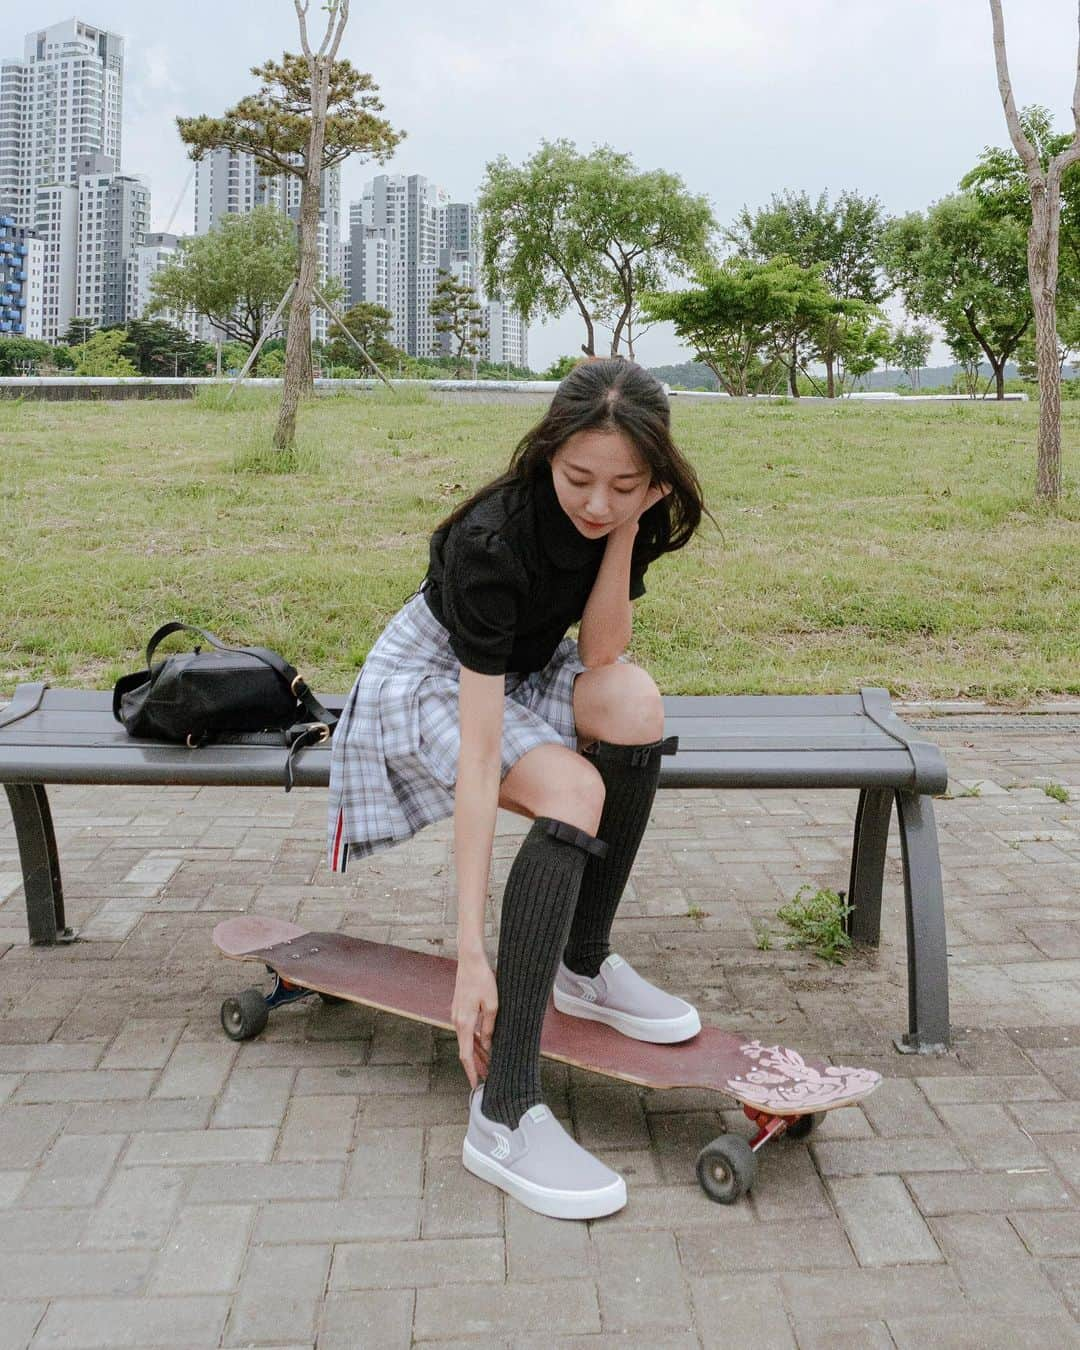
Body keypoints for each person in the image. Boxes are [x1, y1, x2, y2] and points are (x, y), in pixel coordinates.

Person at [327, 357, 711, 1219]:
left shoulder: (626, 514)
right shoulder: (491, 543)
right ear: (546, 452)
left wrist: (620, 535)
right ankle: (501, 1111)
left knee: (637, 702)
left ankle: (582, 964)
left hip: (531, 668)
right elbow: (478, 759)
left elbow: (603, 654)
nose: (598, 502)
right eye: (579, 479)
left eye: (626, 484)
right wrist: (470, 954)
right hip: (431, 678)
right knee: (573, 791)